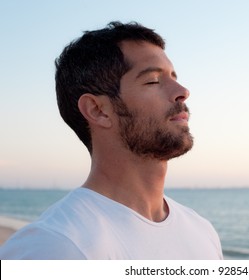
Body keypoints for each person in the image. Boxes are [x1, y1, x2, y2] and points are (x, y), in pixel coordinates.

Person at [0, 21, 223, 259]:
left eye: (174, 77)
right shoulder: (55, 246)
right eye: (153, 81)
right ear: (98, 110)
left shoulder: (201, 232)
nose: (182, 91)